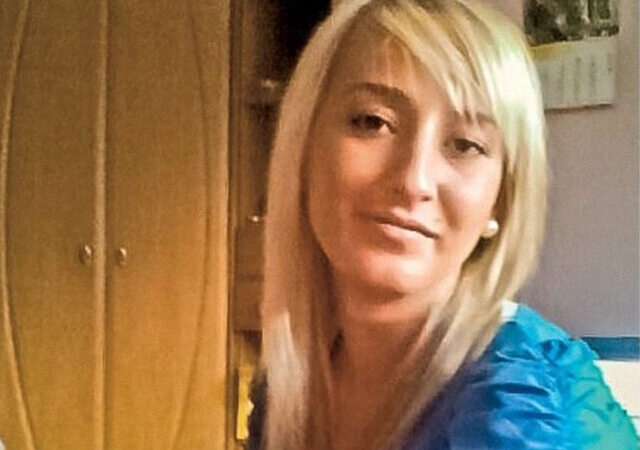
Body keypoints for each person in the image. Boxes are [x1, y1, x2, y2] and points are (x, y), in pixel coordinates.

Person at [248, 0, 640, 449]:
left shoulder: (522, 415)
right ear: (304, 148)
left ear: (500, 200)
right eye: (373, 122)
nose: (413, 180)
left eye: (466, 145)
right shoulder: (293, 382)